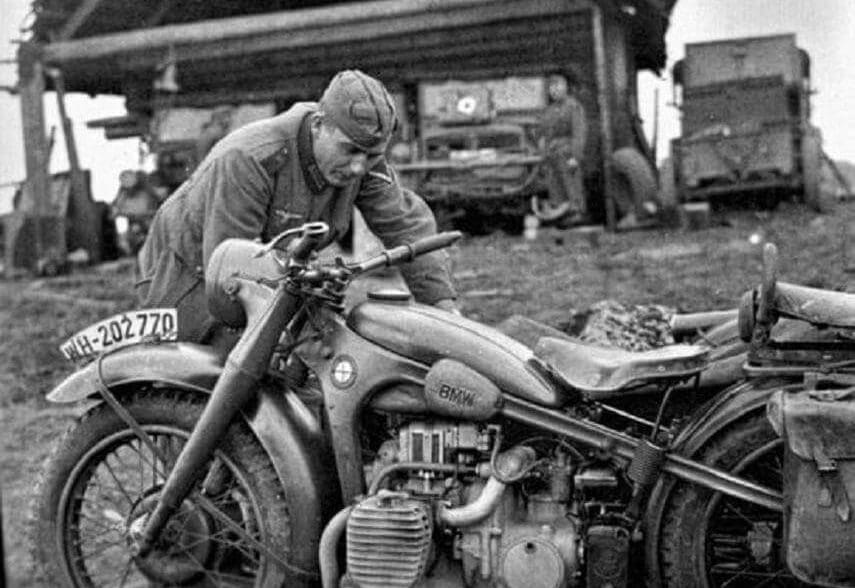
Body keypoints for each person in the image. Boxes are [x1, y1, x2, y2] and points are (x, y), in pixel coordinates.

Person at [137, 70, 458, 342]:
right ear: (319, 125)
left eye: (372, 156)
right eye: (349, 151)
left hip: (273, 269)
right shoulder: (251, 158)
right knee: (203, 381)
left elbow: (407, 229)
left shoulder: (364, 161)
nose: (359, 167)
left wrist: (446, 312)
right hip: (187, 273)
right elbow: (229, 268)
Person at [537, 74, 588, 223]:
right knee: (555, 186)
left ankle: (577, 212)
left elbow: (579, 133)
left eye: (558, 86)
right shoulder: (549, 110)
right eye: (551, 88)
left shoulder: (573, 107)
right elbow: (543, 132)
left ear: (565, 88)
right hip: (552, 154)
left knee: (572, 185)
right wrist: (542, 149)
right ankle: (560, 213)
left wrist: (575, 157)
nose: (554, 91)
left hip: (567, 153)